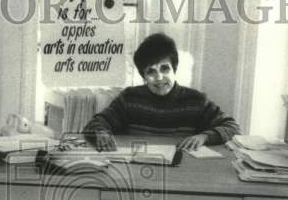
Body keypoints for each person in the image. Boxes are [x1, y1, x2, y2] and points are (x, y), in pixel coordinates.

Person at [83, 33, 240, 151]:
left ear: (174, 68)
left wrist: (205, 136)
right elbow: (96, 123)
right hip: (138, 169)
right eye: (151, 71)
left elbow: (232, 126)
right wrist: (101, 133)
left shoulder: (196, 100)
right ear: (143, 77)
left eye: (165, 68)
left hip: (182, 172)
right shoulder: (130, 98)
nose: (159, 78)